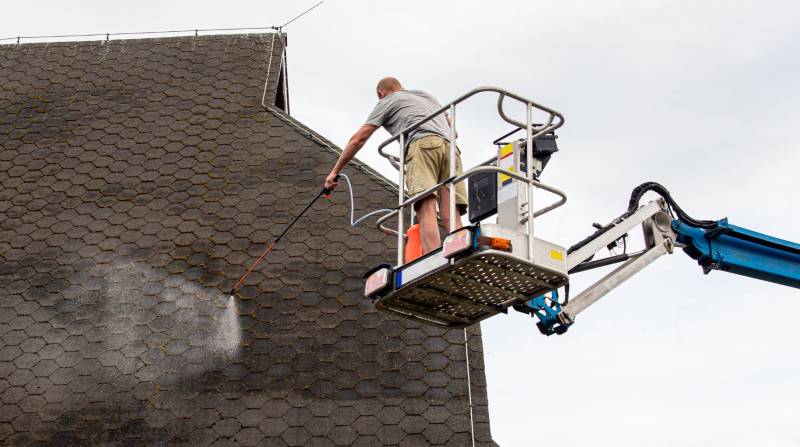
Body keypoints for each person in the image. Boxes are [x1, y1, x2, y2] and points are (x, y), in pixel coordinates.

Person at [323, 77, 467, 254]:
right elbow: (454, 131)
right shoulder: (426, 96)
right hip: (451, 148)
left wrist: (334, 172)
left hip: (423, 145)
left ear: (380, 94)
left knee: (426, 207)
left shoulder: (388, 100)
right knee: (451, 212)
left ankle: (433, 258)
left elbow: (358, 139)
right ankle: (461, 249)